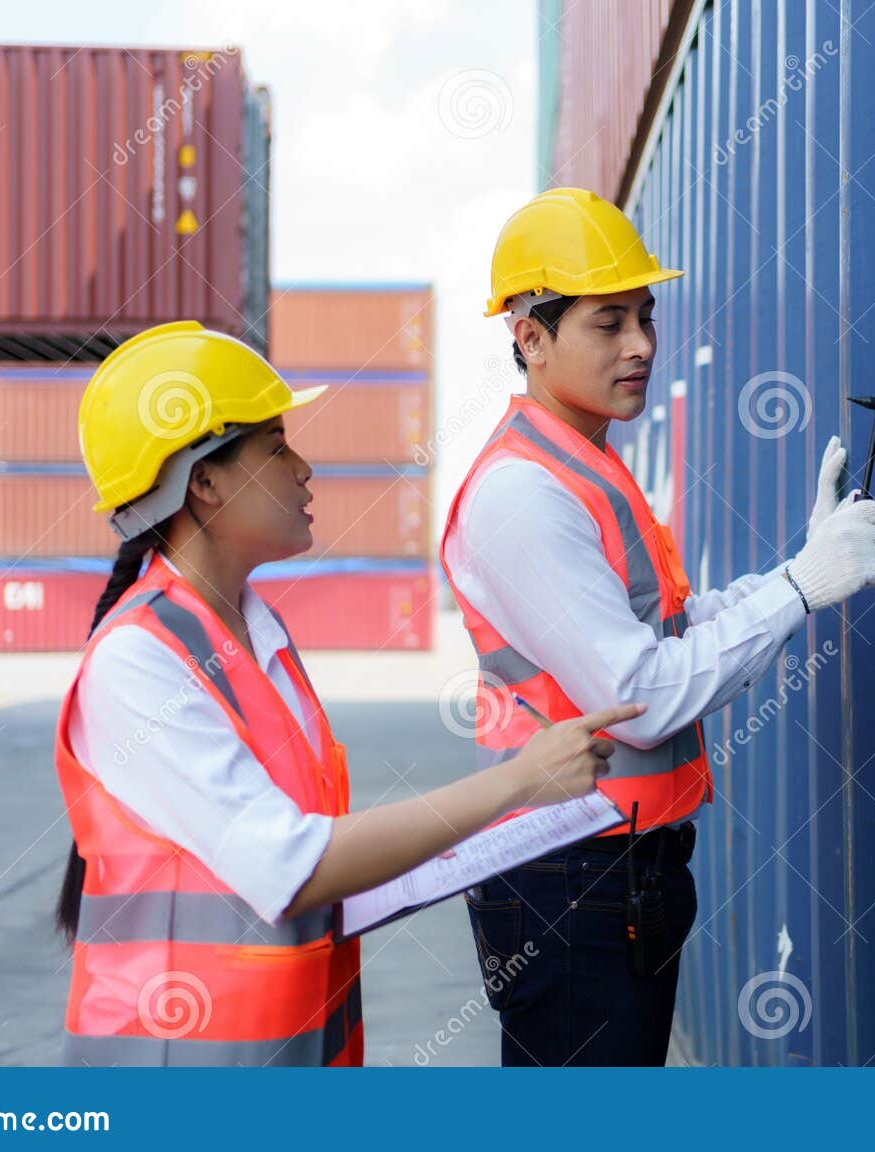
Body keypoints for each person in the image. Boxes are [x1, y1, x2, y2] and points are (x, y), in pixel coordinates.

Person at [52, 320, 644, 1066]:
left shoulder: (254, 638)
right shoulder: (139, 661)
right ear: (201, 481)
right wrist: (520, 779)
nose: (305, 469)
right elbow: (294, 864)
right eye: (276, 447)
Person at [440, 188, 875, 1066]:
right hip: (571, 878)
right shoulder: (522, 494)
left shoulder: (583, 462)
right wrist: (799, 588)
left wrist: (795, 567)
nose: (642, 344)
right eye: (609, 323)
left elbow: (663, 630)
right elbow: (640, 697)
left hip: (611, 871)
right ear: (529, 337)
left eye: (646, 315)